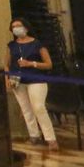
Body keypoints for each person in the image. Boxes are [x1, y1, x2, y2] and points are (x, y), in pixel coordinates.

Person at [6, 18, 58, 151]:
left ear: (26, 28)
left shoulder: (37, 44)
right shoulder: (11, 45)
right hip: (18, 80)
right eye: (14, 27)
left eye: (19, 26)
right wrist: (7, 77)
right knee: (26, 109)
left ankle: (50, 138)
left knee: (38, 107)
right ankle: (34, 135)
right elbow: (7, 63)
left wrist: (31, 64)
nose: (16, 28)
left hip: (36, 80)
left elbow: (48, 64)